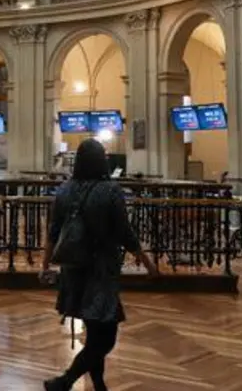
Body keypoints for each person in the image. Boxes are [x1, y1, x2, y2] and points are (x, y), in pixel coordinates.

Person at [40, 139, 158, 391]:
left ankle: (99, 385)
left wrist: (44, 265)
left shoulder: (64, 190)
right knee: (105, 338)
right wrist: (147, 262)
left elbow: (53, 232)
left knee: (95, 331)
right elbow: (125, 233)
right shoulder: (111, 190)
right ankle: (64, 381)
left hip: (73, 268)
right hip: (101, 269)